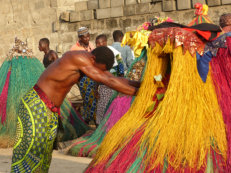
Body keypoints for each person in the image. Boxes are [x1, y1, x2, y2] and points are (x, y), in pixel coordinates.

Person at [10, 46, 139, 173]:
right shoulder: (79, 58)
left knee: (43, 155)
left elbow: (115, 79)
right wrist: (140, 93)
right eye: (100, 70)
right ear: (93, 59)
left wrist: (144, 85)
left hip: (50, 110)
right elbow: (109, 81)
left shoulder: (91, 61)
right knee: (31, 153)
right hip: (36, 105)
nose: (100, 72)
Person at [95, 34, 124, 125]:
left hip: (114, 86)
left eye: (99, 43)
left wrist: (121, 83)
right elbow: (95, 73)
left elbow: (121, 67)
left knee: (113, 108)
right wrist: (95, 88)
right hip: (103, 87)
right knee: (101, 109)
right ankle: (100, 128)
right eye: (96, 44)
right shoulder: (96, 54)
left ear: (104, 42)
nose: (97, 45)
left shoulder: (115, 53)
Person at [70, 27, 97, 124]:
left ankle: (92, 119)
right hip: (83, 79)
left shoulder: (91, 45)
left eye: (88, 36)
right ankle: (89, 119)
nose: (87, 39)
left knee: (94, 98)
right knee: (87, 99)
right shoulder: (74, 49)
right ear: (80, 38)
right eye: (85, 38)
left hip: (93, 76)